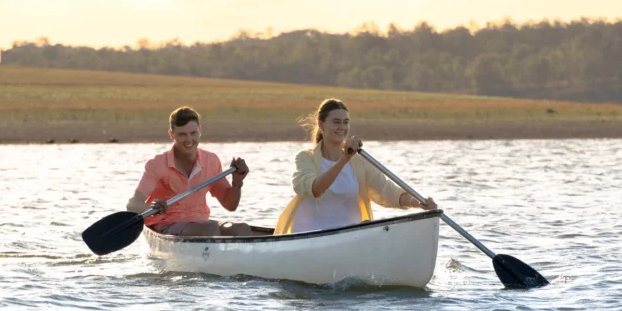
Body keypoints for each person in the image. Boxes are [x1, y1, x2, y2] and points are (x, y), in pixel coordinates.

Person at [275, 98, 437, 235]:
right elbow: (315, 189)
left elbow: (388, 192)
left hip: (350, 236)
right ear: (321, 125)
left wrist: (418, 203)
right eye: (336, 122)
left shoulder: (359, 161)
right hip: (310, 236)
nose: (342, 127)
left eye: (346, 122)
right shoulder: (305, 158)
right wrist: (345, 158)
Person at [127, 106, 252, 237]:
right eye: (182, 134)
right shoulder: (157, 164)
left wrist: (237, 183)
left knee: (242, 229)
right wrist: (151, 209)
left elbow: (230, 205)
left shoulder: (211, 160)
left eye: (193, 133)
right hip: (166, 225)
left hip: (202, 224)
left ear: (200, 131)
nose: (189, 140)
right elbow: (133, 204)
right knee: (209, 230)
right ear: (172, 134)